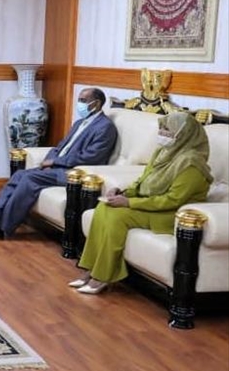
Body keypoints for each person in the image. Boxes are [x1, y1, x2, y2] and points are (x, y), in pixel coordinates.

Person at [70, 112, 212, 294]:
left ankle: (103, 275)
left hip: (173, 214)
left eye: (167, 130)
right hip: (152, 206)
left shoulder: (192, 163)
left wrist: (129, 203)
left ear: (183, 134)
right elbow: (143, 180)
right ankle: (92, 269)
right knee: (103, 207)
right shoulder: (163, 152)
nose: (162, 134)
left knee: (117, 217)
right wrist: (123, 192)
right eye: (161, 129)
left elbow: (172, 200)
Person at [0, 87, 118, 239]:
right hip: (59, 167)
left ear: (96, 103)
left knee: (30, 178)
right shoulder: (79, 123)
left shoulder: (105, 127)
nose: (80, 104)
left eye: (83, 100)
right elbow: (60, 147)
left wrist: (55, 162)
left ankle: (1, 228)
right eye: (79, 100)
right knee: (19, 175)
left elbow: (91, 157)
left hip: (75, 174)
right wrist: (48, 162)